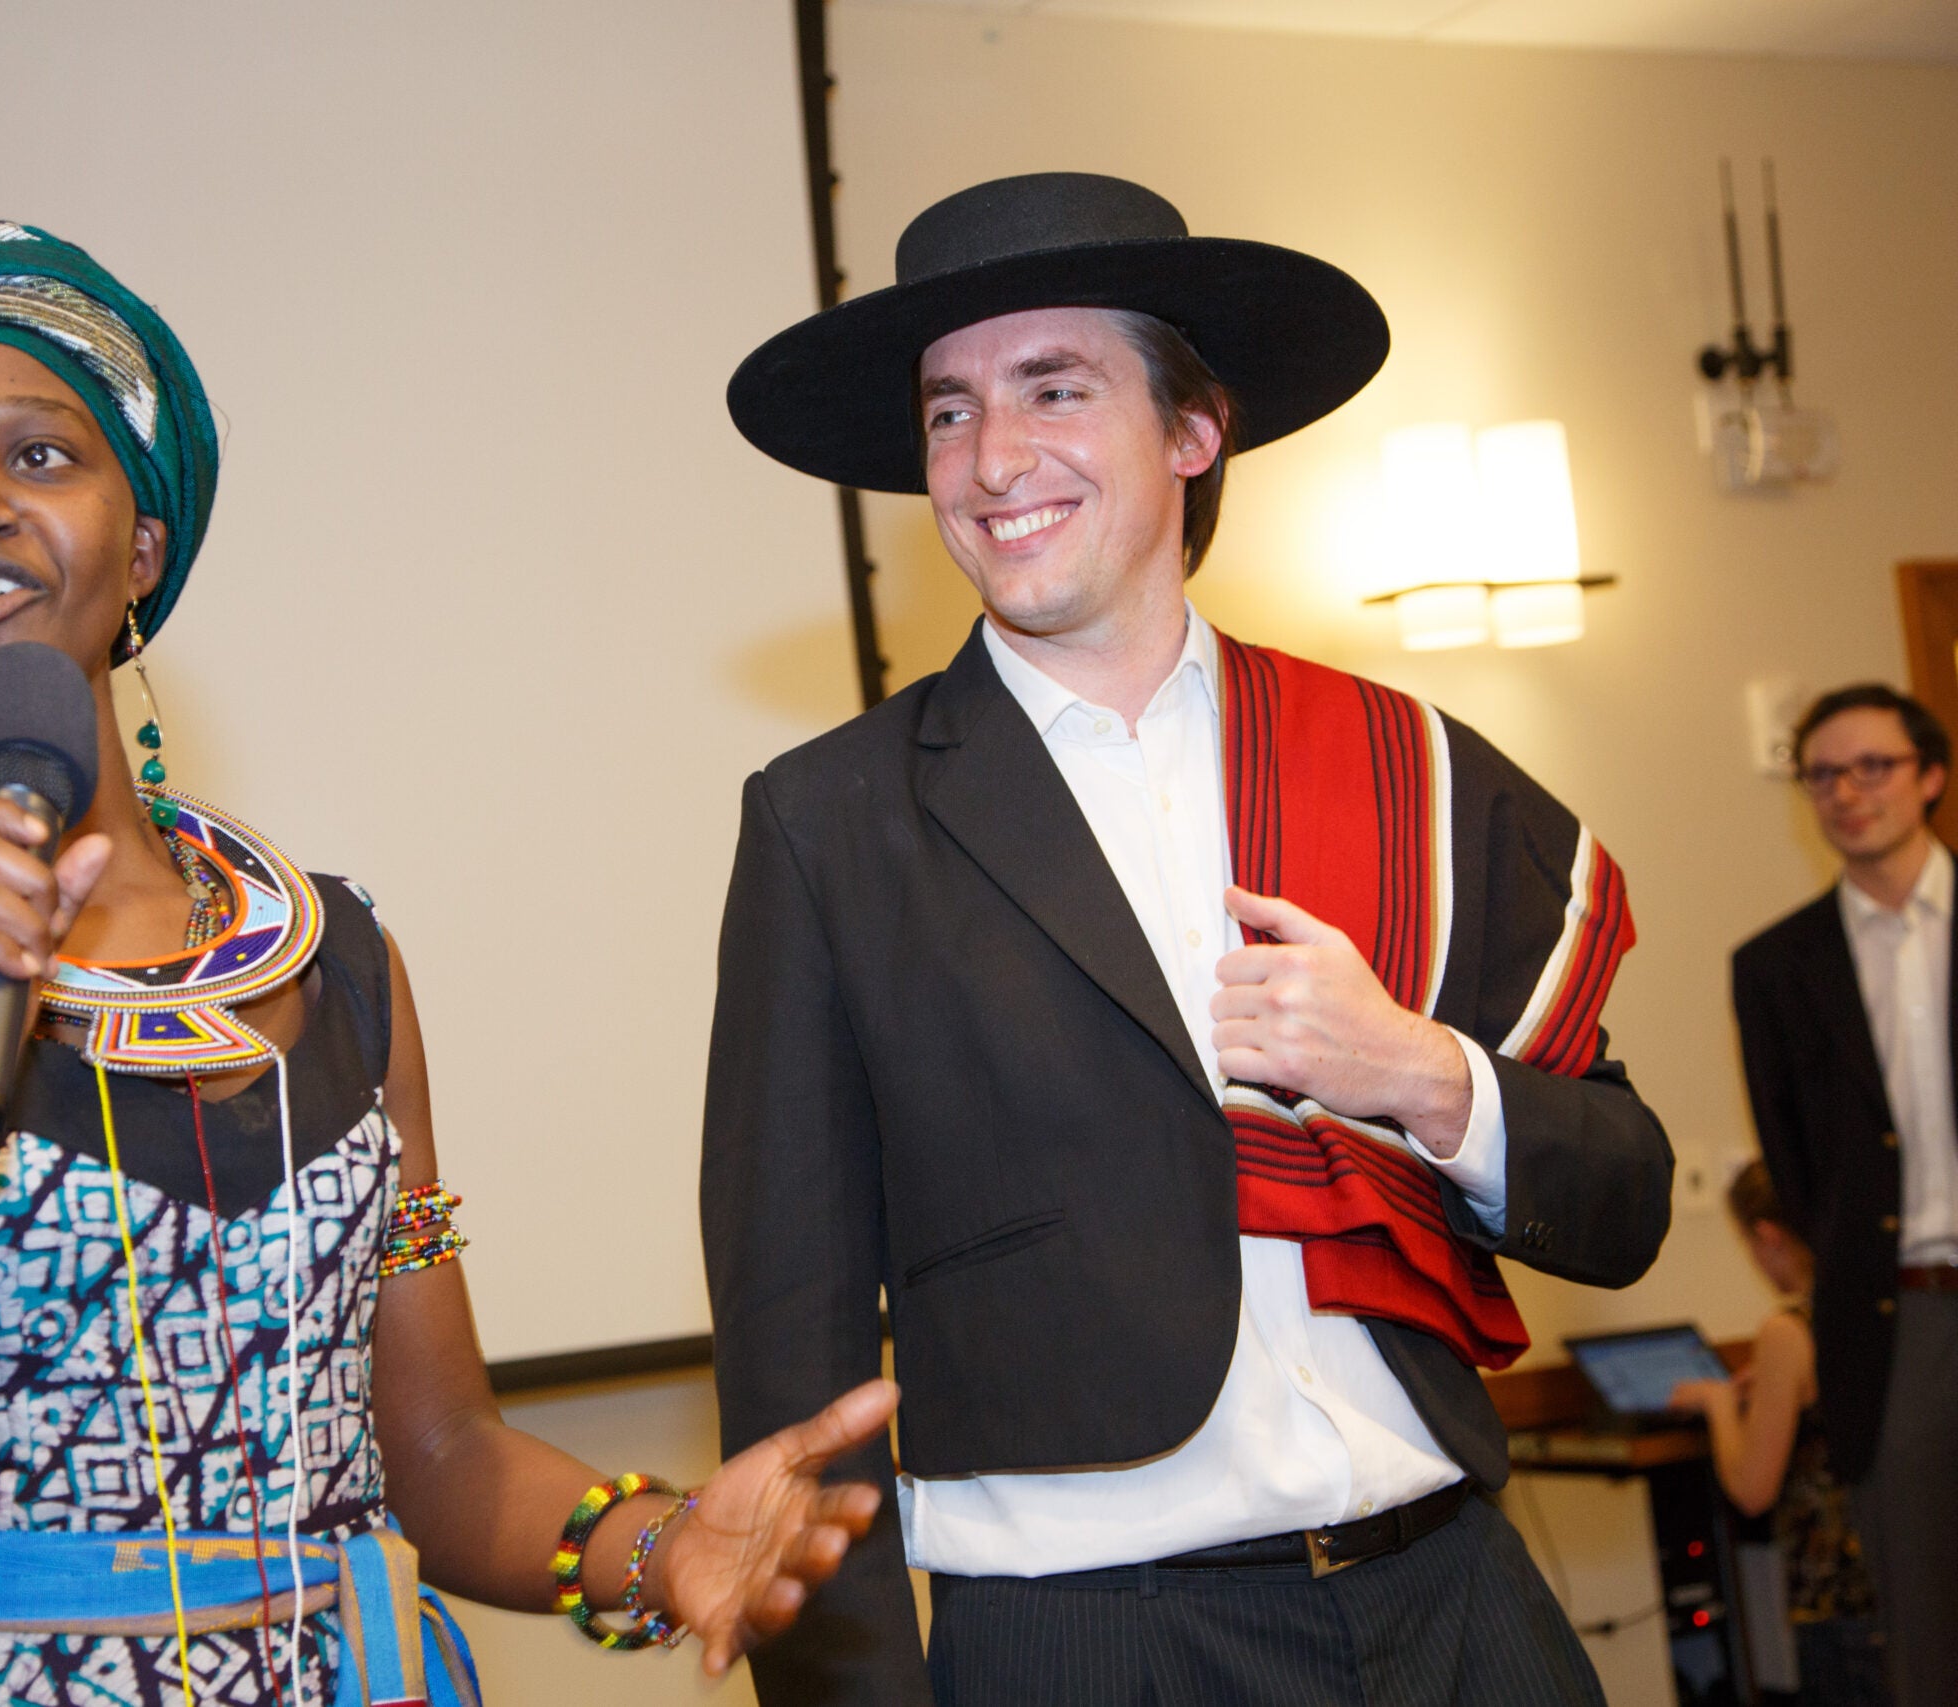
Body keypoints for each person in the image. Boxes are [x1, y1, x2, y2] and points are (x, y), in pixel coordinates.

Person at [0, 220, 898, 1707]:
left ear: (147, 546)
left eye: (41, 456)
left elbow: (440, 1458)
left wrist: (662, 1544)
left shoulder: (341, 957)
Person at [702, 173, 1676, 1707]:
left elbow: (1626, 1200)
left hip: (1458, 1593)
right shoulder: (830, 821)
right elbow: (791, 1350)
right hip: (1087, 1637)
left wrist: (1421, 1072)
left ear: (1193, 427)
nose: (991, 458)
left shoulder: (1402, 765)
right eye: (949, 410)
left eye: (1055, 388)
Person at [1733, 682, 1958, 1706]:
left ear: (1929, 778)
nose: (1846, 791)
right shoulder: (1775, 968)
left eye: (1871, 766)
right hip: (1892, 1317)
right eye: (1823, 773)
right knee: (1922, 1629)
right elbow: (1793, 1160)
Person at [1669, 1161, 1885, 1705]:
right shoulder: (1874, 1310)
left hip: (1834, 1595)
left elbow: (1751, 1487)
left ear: (1767, 1237)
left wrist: (1720, 1404)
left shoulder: (1787, 1331)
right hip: (1896, 1578)